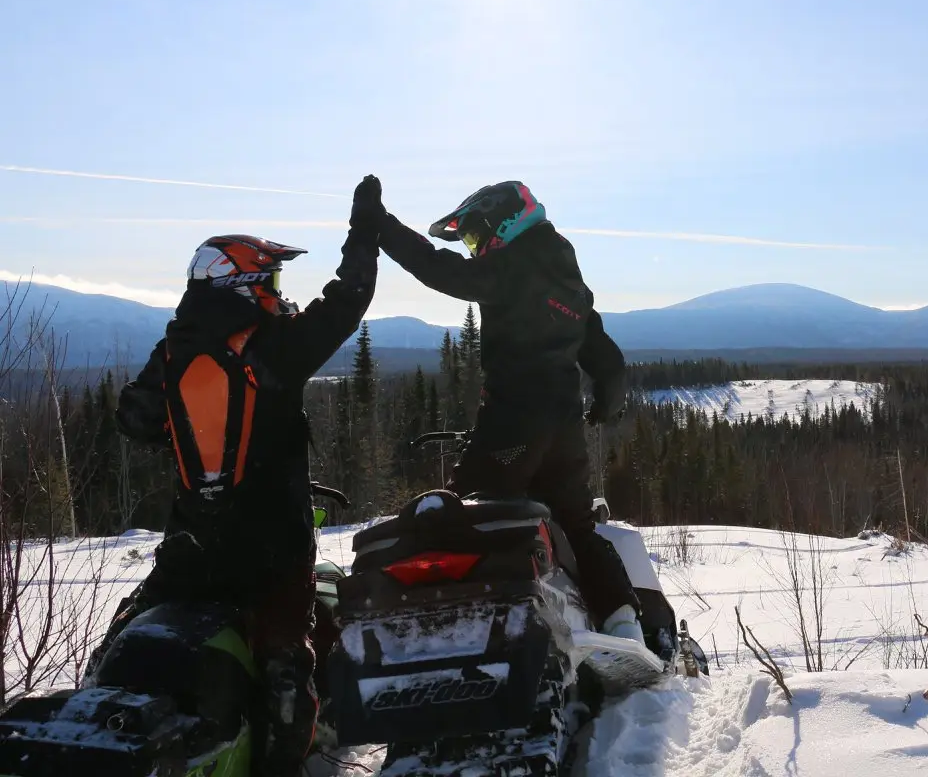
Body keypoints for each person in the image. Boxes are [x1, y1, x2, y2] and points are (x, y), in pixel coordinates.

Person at [92, 176, 384, 776]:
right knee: (287, 661)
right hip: (271, 545)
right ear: (245, 283)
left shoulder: (175, 345)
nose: (278, 291)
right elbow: (350, 297)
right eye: (271, 279)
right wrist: (365, 231)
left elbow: (135, 416)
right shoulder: (274, 345)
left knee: (130, 638)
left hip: (191, 542)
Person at [374, 180, 642, 642]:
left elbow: (441, 269)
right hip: (564, 428)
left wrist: (384, 228)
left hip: (513, 419)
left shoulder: (514, 266)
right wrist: (607, 402)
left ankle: (459, 630)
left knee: (461, 515)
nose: (476, 249)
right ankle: (624, 624)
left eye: (476, 236)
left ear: (506, 221)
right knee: (577, 526)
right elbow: (608, 359)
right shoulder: (567, 279)